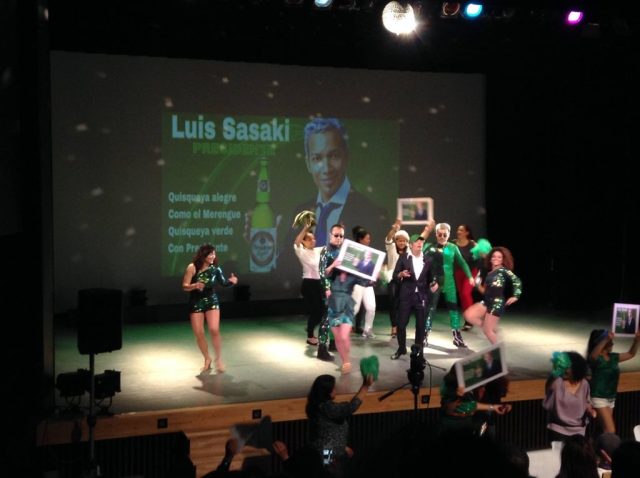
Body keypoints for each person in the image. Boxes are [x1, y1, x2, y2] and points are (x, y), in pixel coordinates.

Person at [291, 118, 389, 247]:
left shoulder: (373, 214)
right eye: (317, 158)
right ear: (308, 163)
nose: (326, 169)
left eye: (334, 156)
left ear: (346, 157)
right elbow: (287, 256)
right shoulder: (300, 213)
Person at [182, 244, 238, 373]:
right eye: (210, 254)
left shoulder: (215, 269)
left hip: (211, 300)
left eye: (214, 253)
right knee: (199, 333)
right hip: (196, 301)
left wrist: (232, 281)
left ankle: (219, 359)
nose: (213, 256)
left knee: (214, 329)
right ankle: (207, 358)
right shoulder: (192, 267)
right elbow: (185, 286)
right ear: (203, 255)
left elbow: (224, 283)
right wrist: (195, 285)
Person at [306, 373, 375, 477]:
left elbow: (326, 431)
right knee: (329, 474)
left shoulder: (316, 405)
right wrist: (365, 386)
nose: (336, 390)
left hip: (326, 450)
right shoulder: (327, 407)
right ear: (327, 391)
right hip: (327, 452)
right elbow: (350, 407)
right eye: (334, 388)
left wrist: (342, 447)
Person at [422, 222, 475, 348]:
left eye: (445, 234)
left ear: (449, 234)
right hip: (435, 282)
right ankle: (424, 335)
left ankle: (457, 337)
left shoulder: (453, 247)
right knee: (430, 309)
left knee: (453, 309)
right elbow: (421, 262)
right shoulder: (430, 247)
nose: (442, 237)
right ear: (436, 234)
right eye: (440, 234)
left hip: (449, 283)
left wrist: (470, 276)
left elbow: (462, 262)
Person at [390, 233, 439, 360]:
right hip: (406, 295)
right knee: (401, 324)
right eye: (417, 242)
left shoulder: (428, 259)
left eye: (421, 242)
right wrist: (401, 274)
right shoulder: (403, 258)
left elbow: (431, 277)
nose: (420, 244)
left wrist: (434, 283)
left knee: (421, 326)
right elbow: (394, 275)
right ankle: (401, 348)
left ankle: (419, 353)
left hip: (421, 296)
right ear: (410, 245)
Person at [463, 246, 522, 345]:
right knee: (468, 315)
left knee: (487, 331)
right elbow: (485, 291)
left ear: (502, 259)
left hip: (496, 303)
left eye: (499, 257)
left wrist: (516, 295)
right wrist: (477, 284)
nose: (496, 258)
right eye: (494, 256)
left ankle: (497, 350)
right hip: (487, 301)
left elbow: (517, 281)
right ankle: (491, 329)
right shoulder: (490, 273)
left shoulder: (503, 271)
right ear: (490, 258)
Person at [586, 329, 640, 434]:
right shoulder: (596, 359)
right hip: (599, 397)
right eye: (610, 342)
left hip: (610, 398)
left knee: (603, 430)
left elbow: (631, 354)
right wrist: (606, 339)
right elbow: (592, 356)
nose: (613, 344)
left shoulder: (613, 357)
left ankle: (595, 443)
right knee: (610, 430)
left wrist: (637, 340)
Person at [439, 365, 511, 436]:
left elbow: (492, 403)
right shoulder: (452, 391)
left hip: (480, 425)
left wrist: (500, 407)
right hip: (455, 432)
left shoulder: (483, 388)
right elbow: (466, 406)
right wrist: (493, 407)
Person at [542, 351, 596, 443]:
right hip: (558, 430)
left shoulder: (584, 384)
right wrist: (555, 373)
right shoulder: (557, 383)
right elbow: (549, 385)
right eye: (563, 367)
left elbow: (586, 403)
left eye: (568, 367)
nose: (565, 370)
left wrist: (590, 410)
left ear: (576, 368)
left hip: (579, 432)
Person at [317, 224, 346, 363]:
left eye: (341, 236)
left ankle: (334, 343)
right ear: (330, 235)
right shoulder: (326, 250)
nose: (339, 238)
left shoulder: (343, 251)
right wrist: (327, 289)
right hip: (329, 289)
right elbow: (323, 272)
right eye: (336, 235)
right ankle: (322, 349)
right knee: (327, 319)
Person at [294, 222, 325, 346]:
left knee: (321, 311)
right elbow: (297, 241)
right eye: (309, 239)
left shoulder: (317, 251)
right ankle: (310, 336)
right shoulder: (301, 251)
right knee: (316, 311)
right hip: (308, 285)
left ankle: (310, 329)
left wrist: (338, 233)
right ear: (304, 241)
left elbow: (331, 246)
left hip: (318, 284)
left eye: (313, 238)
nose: (313, 241)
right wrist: (306, 228)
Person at [382, 219, 409, 338]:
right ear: (396, 240)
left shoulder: (409, 251)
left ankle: (401, 326)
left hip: (405, 281)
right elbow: (388, 239)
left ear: (407, 241)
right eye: (399, 240)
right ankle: (394, 327)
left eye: (404, 240)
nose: (401, 242)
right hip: (392, 279)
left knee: (403, 304)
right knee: (393, 303)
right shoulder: (391, 247)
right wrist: (394, 229)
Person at [350, 226, 376, 338]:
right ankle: (342, 328)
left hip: (368, 285)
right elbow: (352, 267)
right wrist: (355, 263)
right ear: (361, 239)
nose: (369, 241)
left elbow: (374, 270)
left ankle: (368, 330)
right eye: (367, 238)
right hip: (357, 284)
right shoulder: (354, 252)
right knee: (354, 309)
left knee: (371, 307)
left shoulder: (372, 258)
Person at [452, 224, 478, 330]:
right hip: (458, 272)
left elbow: (482, 256)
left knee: (465, 293)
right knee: (462, 296)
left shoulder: (473, 244)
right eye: (458, 229)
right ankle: (467, 320)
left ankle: (470, 319)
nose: (459, 231)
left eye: (461, 230)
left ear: (467, 232)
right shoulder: (453, 244)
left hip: (471, 272)